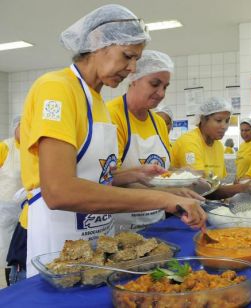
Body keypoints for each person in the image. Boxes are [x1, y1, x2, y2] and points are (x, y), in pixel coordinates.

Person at [19, 5, 205, 277]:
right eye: (127, 56)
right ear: (97, 43)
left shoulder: (98, 102)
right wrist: (161, 198)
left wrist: (136, 176)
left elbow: (95, 176)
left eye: (136, 60)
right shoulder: (57, 88)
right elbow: (59, 191)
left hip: (97, 239)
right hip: (58, 240)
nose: (131, 69)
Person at [107, 50, 203, 232]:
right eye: (154, 84)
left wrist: (184, 176)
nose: (161, 93)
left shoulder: (158, 122)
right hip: (122, 227)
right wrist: (168, 195)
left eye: (165, 87)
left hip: (158, 221)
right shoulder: (111, 116)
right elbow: (110, 179)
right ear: (133, 78)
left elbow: (160, 172)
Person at [171, 97, 251, 198]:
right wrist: (242, 188)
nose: (224, 126)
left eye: (227, 121)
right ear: (203, 120)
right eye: (218, 120)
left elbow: (216, 183)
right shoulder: (190, 142)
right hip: (181, 206)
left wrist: (236, 186)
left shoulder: (218, 146)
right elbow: (200, 189)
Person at [0, 116, 23, 284]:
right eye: (22, 126)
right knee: (6, 250)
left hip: (28, 209)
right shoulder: (5, 147)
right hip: (6, 210)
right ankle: (9, 284)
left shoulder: (35, 149)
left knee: (22, 252)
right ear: (14, 127)